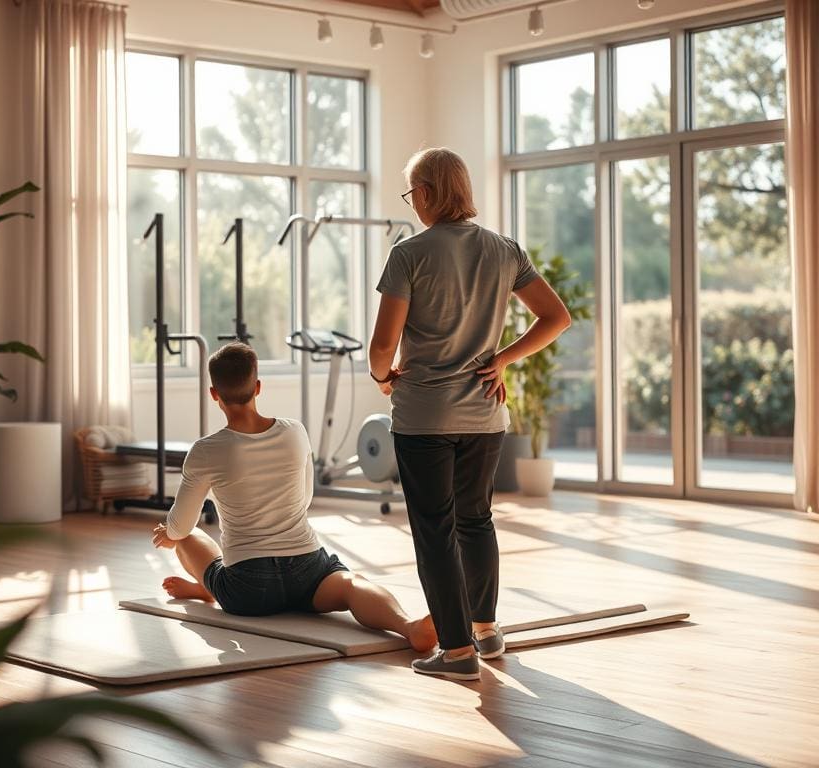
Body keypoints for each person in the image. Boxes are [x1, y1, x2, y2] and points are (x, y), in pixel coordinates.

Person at [369, 147, 572, 681]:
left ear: (430, 193)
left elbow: (381, 346)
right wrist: (501, 359)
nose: (413, 204)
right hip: (485, 416)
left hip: (425, 418)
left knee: (434, 530)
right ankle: (486, 631)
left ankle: (456, 653)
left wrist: (382, 377)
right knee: (476, 521)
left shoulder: (408, 254)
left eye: (413, 194)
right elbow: (556, 318)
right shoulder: (505, 250)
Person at [151, 342, 437, 652]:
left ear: (214, 394)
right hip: (308, 571)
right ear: (257, 387)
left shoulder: (205, 450)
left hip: (248, 589)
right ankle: (408, 626)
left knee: (186, 535)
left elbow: (180, 526)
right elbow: (305, 499)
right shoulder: (294, 432)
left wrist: (169, 533)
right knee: (351, 585)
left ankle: (211, 587)